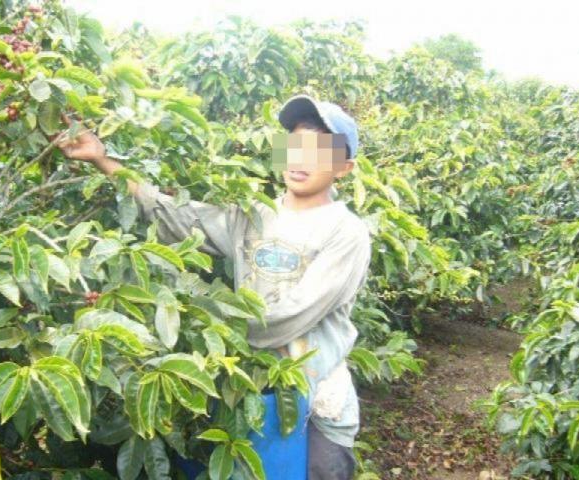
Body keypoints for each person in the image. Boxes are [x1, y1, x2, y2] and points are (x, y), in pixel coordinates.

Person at [58, 94, 372, 480]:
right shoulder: (255, 214)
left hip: (316, 402)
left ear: (343, 167)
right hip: (245, 390)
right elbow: (176, 216)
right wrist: (103, 160)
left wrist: (190, 329)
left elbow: (289, 317)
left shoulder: (347, 232)